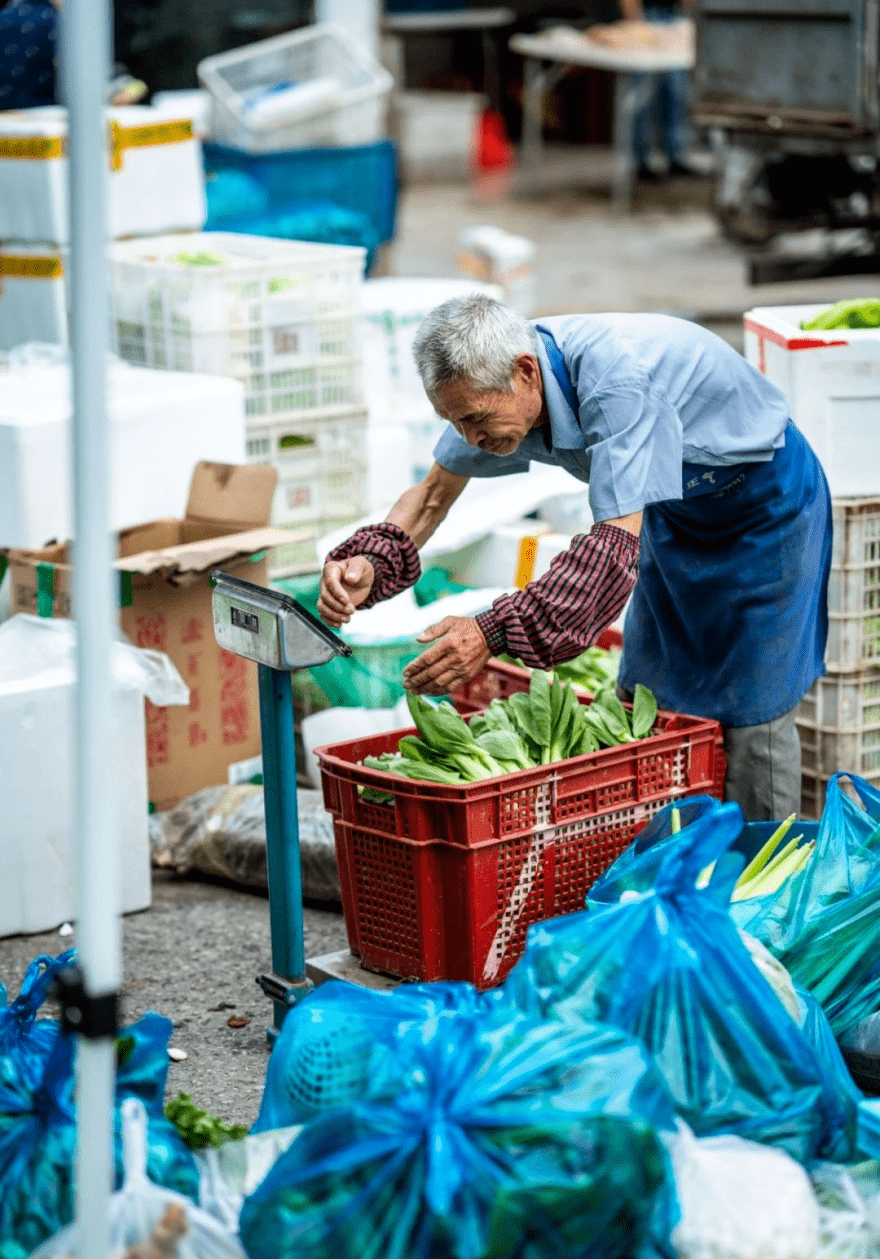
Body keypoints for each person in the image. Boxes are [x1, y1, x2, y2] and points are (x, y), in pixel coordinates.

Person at [318, 295, 831, 822]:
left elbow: (607, 560)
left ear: (525, 374)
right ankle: (683, 847)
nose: (469, 438)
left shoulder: (617, 382)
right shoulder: (493, 386)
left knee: (754, 707)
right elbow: (430, 495)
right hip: (675, 511)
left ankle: (764, 870)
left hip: (763, 508)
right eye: (454, 422)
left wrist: (489, 632)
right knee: (645, 688)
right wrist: (369, 564)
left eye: (474, 419)